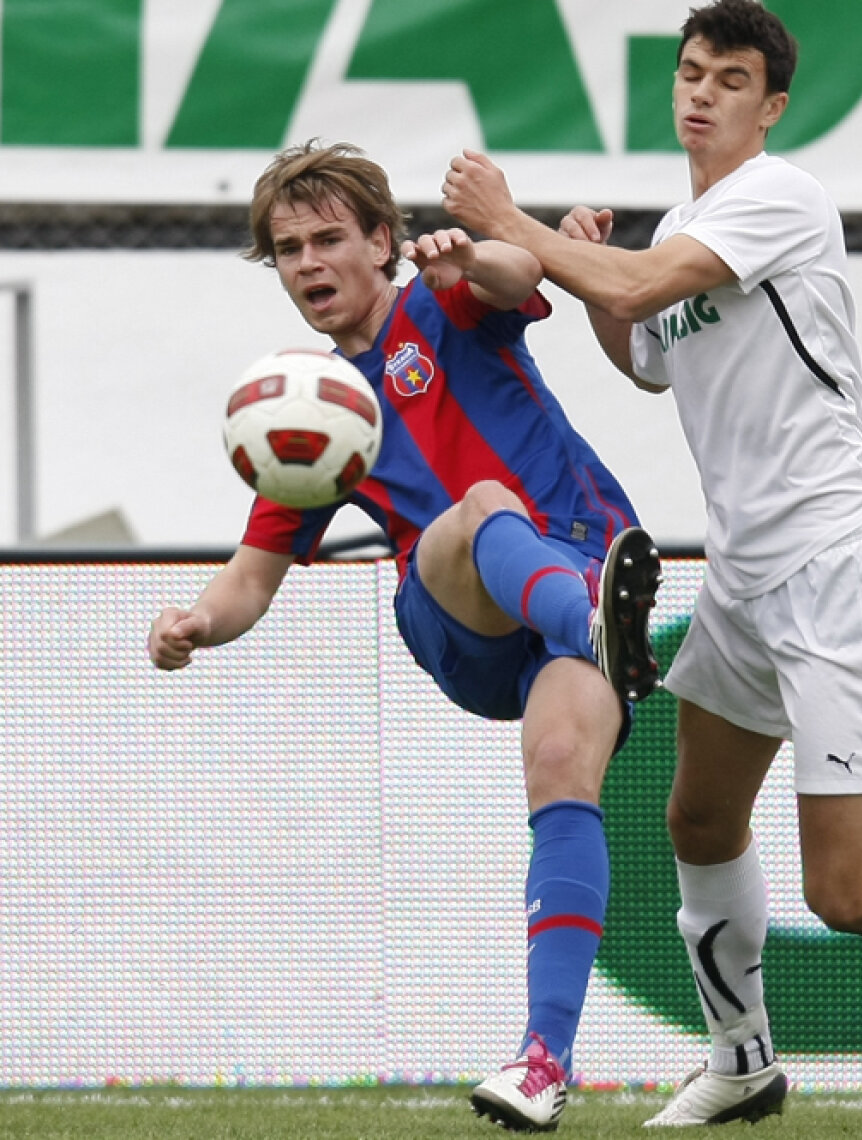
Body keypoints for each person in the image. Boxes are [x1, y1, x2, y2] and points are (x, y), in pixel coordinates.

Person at [439, 0, 862, 1126]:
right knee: (698, 822)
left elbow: (633, 288)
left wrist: (516, 222)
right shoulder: (685, 224)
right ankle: (743, 1061)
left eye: (728, 78)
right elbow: (644, 356)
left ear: (769, 108)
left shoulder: (782, 197)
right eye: (689, 71)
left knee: (850, 892)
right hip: (748, 579)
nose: (700, 91)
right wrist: (586, 266)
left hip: (836, 568)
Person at [147, 139, 663, 1133]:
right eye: (289, 248)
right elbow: (251, 578)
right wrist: (196, 625)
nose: (308, 263)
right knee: (473, 509)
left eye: (329, 238)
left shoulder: (443, 297)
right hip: (466, 612)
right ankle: (596, 630)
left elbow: (521, 271)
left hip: (583, 566)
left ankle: (544, 1059)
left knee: (561, 764)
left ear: (382, 241)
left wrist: (470, 258)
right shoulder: (312, 410)